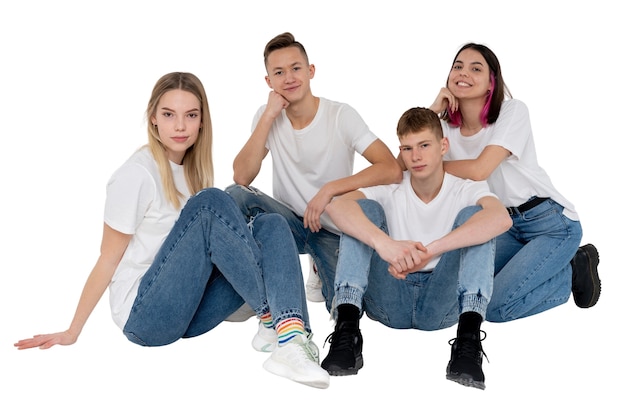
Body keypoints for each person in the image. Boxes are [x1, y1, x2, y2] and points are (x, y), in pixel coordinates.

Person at [14, 72, 330, 389]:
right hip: (146, 316)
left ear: (202, 122)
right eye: (168, 115)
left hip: (189, 309)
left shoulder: (192, 172)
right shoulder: (136, 174)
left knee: (271, 224)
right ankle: (278, 324)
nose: (179, 126)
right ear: (153, 118)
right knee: (212, 202)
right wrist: (72, 330)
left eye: (190, 115)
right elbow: (107, 259)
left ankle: (287, 339)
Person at [321, 107, 512, 390]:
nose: (416, 156)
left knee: (477, 218)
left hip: (442, 302)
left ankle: (468, 341)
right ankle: (346, 332)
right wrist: (385, 245)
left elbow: (501, 218)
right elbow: (337, 208)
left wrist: (433, 249)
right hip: (388, 298)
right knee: (362, 210)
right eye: (408, 148)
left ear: (443, 146)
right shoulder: (392, 186)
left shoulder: (465, 187)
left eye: (424, 145)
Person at [226, 32, 402, 309]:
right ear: (268, 81)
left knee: (344, 306)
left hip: (332, 227)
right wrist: (269, 116)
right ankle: (254, 284)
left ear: (310, 71)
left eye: (296, 68)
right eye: (279, 72)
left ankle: (319, 266)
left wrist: (329, 190)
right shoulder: (266, 116)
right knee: (234, 196)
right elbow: (242, 177)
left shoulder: (340, 115)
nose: (289, 78)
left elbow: (391, 169)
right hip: (287, 225)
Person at [428, 43, 600, 321]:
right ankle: (547, 263)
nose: (463, 72)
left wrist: (433, 165)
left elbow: (480, 168)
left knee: (494, 307)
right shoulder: (444, 128)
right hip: (504, 226)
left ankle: (572, 269)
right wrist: (431, 111)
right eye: (457, 66)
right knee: (467, 286)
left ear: (490, 84)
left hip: (550, 224)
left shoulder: (512, 112)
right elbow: (406, 164)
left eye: (476, 68)